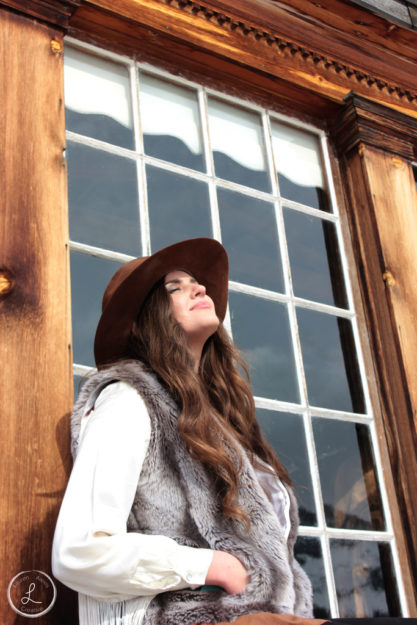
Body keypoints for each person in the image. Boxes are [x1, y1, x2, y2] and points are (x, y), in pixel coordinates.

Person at [51, 238, 327, 625]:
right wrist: (213, 565)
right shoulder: (129, 401)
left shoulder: (225, 426)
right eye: (174, 288)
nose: (199, 288)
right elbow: (79, 552)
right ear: (148, 320)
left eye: (196, 282)